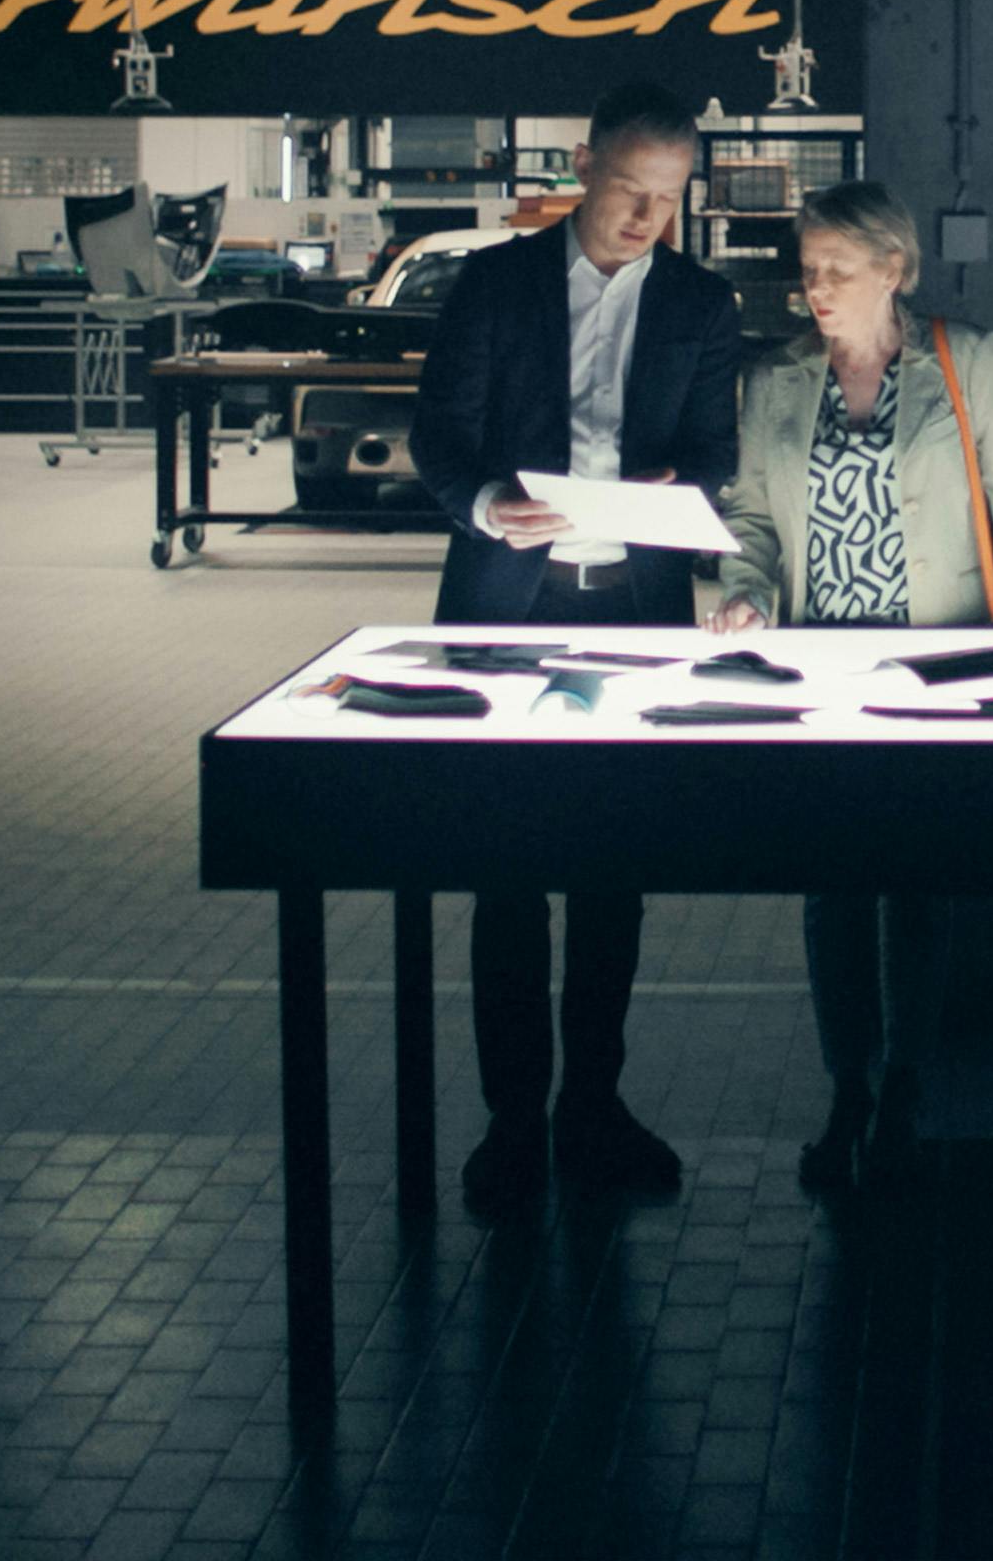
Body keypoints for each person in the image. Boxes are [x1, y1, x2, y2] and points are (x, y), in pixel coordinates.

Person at [704, 179, 993, 1192]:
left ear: (894, 269)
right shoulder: (777, 379)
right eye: (807, 272)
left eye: (837, 271)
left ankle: (908, 1086)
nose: (817, 291)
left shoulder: (963, 361)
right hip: (817, 668)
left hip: (936, 661)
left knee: (915, 881)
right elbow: (751, 524)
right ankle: (848, 1086)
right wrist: (745, 596)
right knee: (831, 887)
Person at [411, 78, 743, 1218]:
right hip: (511, 605)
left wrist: (679, 488)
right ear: (584, 168)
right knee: (505, 878)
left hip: (633, 612)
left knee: (612, 877)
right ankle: (513, 1123)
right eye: (631, 190)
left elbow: (715, 452)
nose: (649, 218)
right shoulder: (494, 283)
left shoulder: (702, 303)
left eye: (668, 197)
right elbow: (437, 435)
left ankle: (590, 1107)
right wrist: (487, 502)